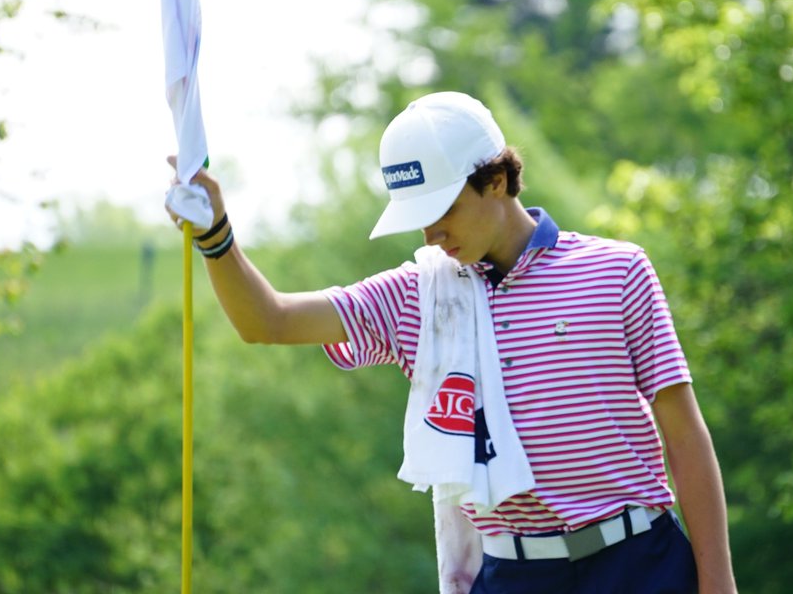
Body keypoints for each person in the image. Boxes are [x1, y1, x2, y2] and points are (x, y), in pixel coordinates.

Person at [168, 91, 737, 594]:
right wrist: (217, 235)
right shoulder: (420, 296)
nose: (431, 234)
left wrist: (718, 583)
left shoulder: (617, 270)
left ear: (496, 181)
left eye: (442, 210)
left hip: (638, 563)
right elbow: (269, 321)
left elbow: (684, 435)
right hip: (516, 575)